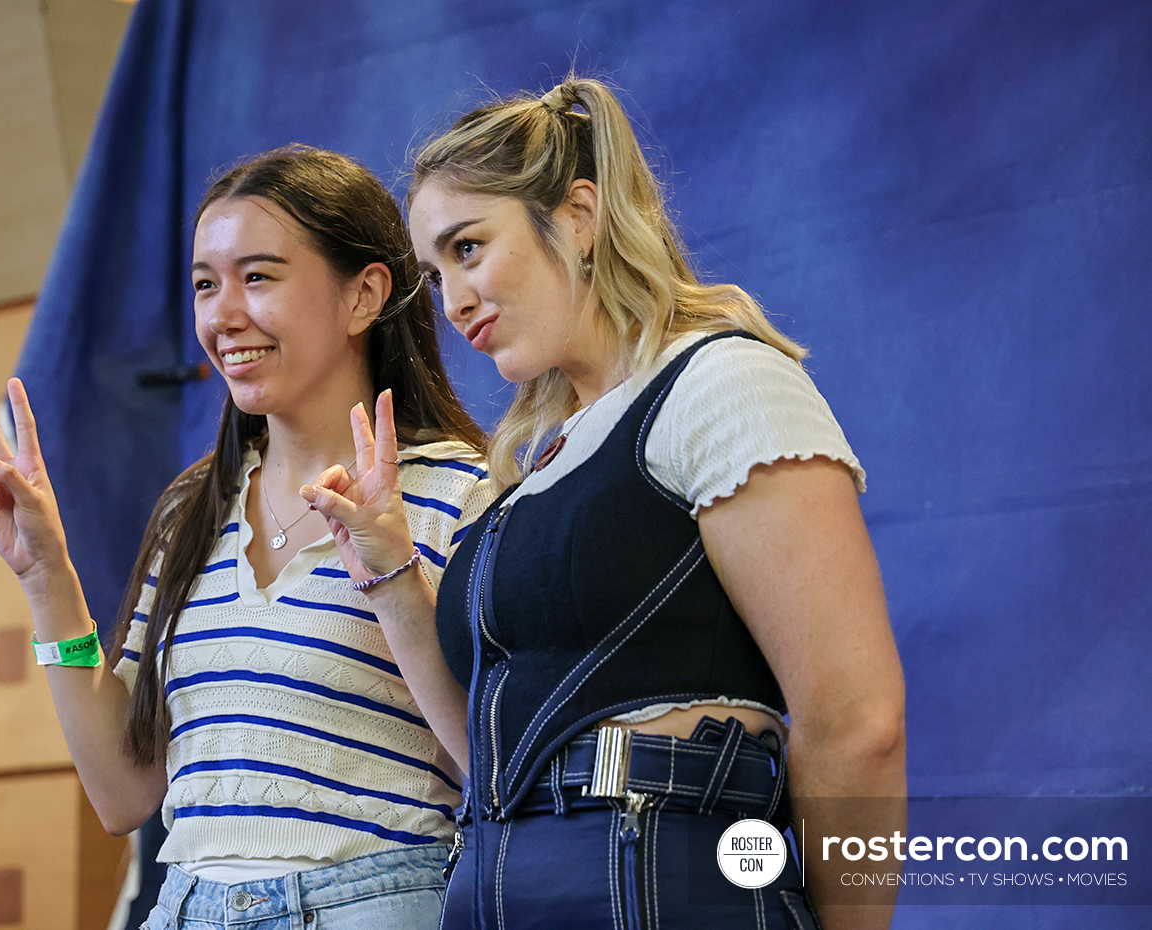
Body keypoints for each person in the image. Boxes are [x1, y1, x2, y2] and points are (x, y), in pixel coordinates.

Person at [305, 78, 907, 930]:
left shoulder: (720, 382)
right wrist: (392, 572)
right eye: (436, 275)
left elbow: (857, 722)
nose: (454, 302)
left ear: (579, 215)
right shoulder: (527, 462)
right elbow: (488, 762)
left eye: (469, 248)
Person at [0, 146, 494, 930]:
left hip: (373, 902)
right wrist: (48, 581)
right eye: (206, 284)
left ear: (363, 296)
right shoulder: (192, 509)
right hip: (183, 905)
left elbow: (493, 765)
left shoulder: (462, 494)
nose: (222, 315)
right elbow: (124, 793)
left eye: (259, 276)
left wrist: (391, 577)